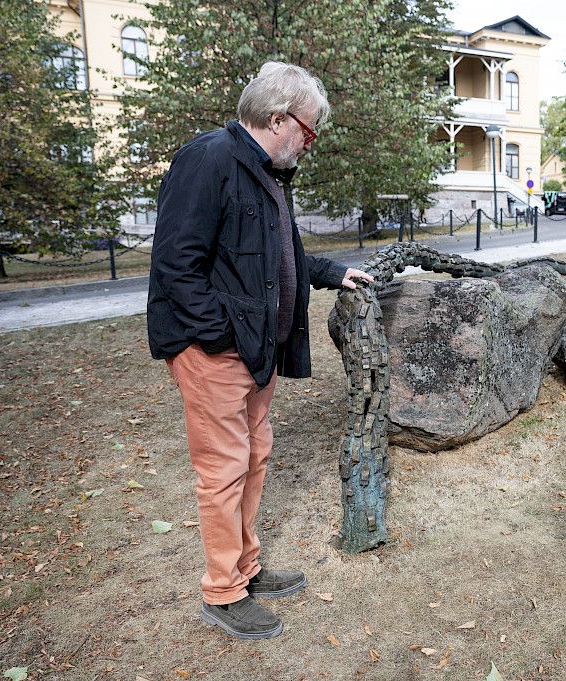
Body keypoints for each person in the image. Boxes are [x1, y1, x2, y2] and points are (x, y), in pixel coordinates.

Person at [146, 61, 373, 640]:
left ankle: (245, 568)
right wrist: (221, 337)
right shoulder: (208, 160)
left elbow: (280, 256)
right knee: (222, 471)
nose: (308, 143)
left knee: (252, 460)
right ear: (278, 118)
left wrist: (334, 272)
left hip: (255, 354)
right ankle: (223, 592)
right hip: (218, 353)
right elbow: (176, 267)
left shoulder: (265, 173)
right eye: (309, 130)